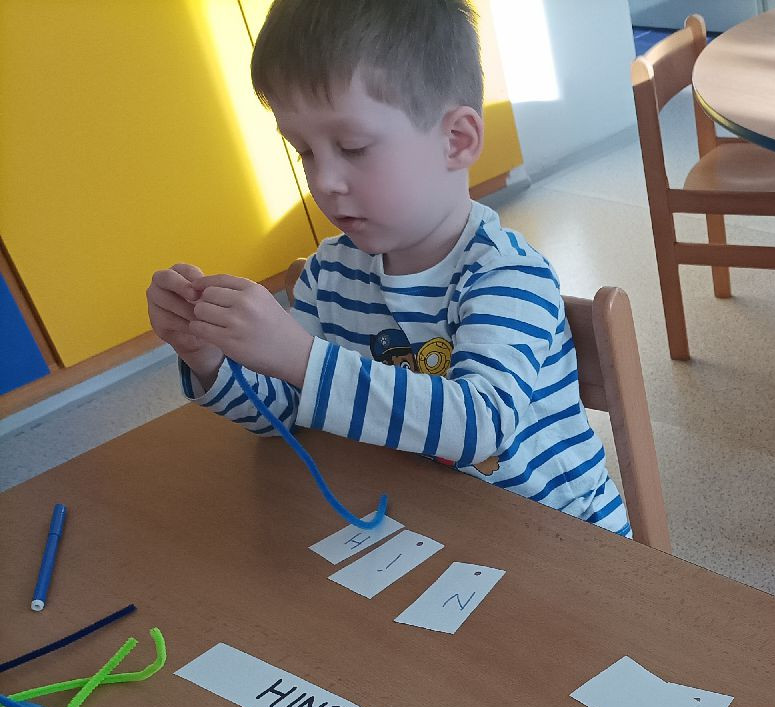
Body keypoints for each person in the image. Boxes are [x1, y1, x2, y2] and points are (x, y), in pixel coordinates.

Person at [145, 0, 628, 534]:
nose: (324, 181)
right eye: (304, 152)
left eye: (352, 147)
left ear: (456, 141)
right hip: (428, 524)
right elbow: (285, 415)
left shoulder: (507, 275)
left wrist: (299, 356)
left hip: (565, 537)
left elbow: (478, 426)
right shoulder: (328, 275)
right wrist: (209, 358)